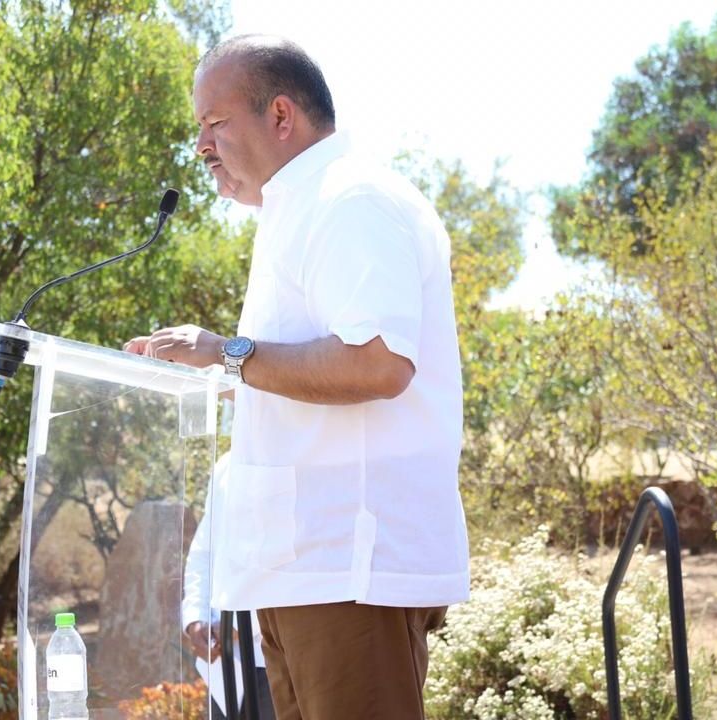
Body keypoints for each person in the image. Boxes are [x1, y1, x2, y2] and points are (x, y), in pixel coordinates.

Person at [124, 35, 469, 720]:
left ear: (281, 115)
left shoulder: (352, 199)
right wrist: (213, 375)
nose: (201, 146)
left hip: (348, 575)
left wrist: (227, 353)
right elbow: (299, 374)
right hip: (298, 574)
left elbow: (377, 363)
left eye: (214, 123)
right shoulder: (299, 209)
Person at [182, 450, 276, 720]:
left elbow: (289, 560)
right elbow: (204, 551)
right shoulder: (226, 464)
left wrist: (234, 626)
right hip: (224, 665)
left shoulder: (293, 454)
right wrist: (196, 618)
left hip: (272, 659)